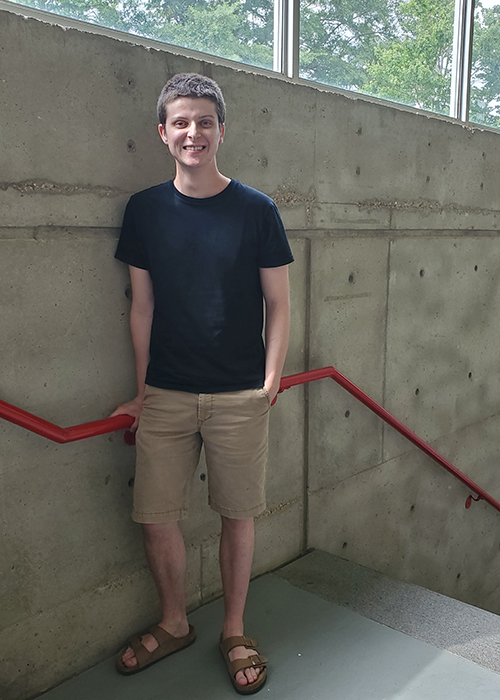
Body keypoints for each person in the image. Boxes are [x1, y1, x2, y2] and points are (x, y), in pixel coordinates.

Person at [111, 72, 293, 694]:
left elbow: (279, 302)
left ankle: (234, 629)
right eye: (181, 122)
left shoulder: (257, 209)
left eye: (205, 122)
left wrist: (268, 379)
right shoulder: (144, 210)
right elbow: (142, 307)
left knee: (238, 516)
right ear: (163, 134)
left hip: (240, 392)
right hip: (165, 393)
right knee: (156, 516)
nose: (194, 132)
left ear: (222, 131)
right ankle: (174, 621)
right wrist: (141, 391)